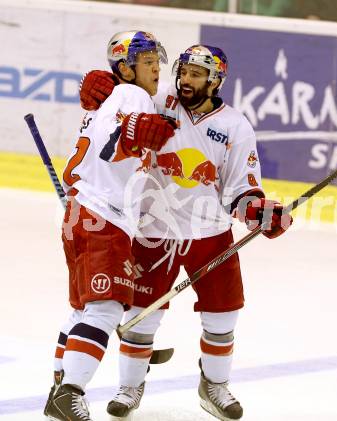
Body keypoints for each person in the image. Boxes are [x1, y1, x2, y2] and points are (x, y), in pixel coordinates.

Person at [78, 45, 293, 421]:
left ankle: (214, 386)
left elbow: (242, 188)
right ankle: (130, 386)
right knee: (143, 317)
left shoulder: (235, 126)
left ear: (216, 80)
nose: (186, 80)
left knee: (223, 316)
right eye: (183, 72)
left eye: (196, 74)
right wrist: (103, 84)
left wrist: (259, 212)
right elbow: (121, 102)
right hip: (152, 230)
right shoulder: (159, 101)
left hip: (210, 234)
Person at [44, 30, 176, 421]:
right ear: (125, 68)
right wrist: (133, 134)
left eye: (157, 62)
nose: (156, 69)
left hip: (84, 211)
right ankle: (69, 392)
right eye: (147, 63)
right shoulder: (131, 96)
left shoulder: (115, 97)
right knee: (105, 308)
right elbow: (110, 141)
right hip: (103, 215)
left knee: (83, 310)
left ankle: (59, 383)